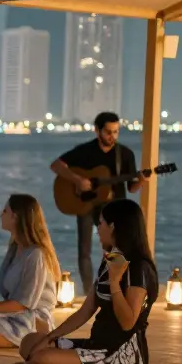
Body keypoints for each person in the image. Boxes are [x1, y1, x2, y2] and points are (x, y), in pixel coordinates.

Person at [18, 199, 158, 364]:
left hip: (121, 356)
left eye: (100, 223)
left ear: (113, 226)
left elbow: (127, 323)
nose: (97, 229)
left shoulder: (138, 268)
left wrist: (115, 283)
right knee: (30, 342)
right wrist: (50, 337)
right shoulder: (112, 259)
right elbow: (85, 312)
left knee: (41, 359)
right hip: (96, 345)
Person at [51, 111, 140, 296]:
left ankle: (112, 291)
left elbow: (132, 188)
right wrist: (77, 180)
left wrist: (142, 179)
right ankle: (87, 292)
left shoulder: (124, 154)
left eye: (116, 132)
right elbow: (56, 165)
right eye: (108, 132)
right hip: (85, 204)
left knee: (115, 250)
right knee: (84, 250)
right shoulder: (84, 151)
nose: (112, 136)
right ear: (97, 130)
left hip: (113, 209)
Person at [0, 194, 59, 350]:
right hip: (13, 315)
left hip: (31, 322)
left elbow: (23, 304)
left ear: (15, 217)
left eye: (5, 211)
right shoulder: (15, 248)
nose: (1, 214)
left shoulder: (36, 254)